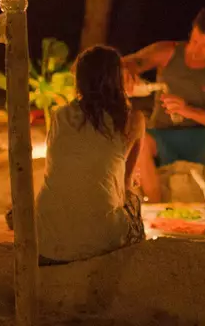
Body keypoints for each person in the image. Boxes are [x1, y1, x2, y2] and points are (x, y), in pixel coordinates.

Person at [35, 45, 147, 264]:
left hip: (46, 239)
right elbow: (126, 184)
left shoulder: (59, 116)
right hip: (100, 240)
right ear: (117, 78)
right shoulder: (131, 119)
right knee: (133, 201)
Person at [122, 9, 205, 203]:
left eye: (204, 46)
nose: (195, 50)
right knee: (137, 135)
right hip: (162, 134)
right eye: (194, 41)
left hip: (203, 136)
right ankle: (154, 206)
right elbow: (129, 63)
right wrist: (126, 74)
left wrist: (187, 111)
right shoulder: (168, 52)